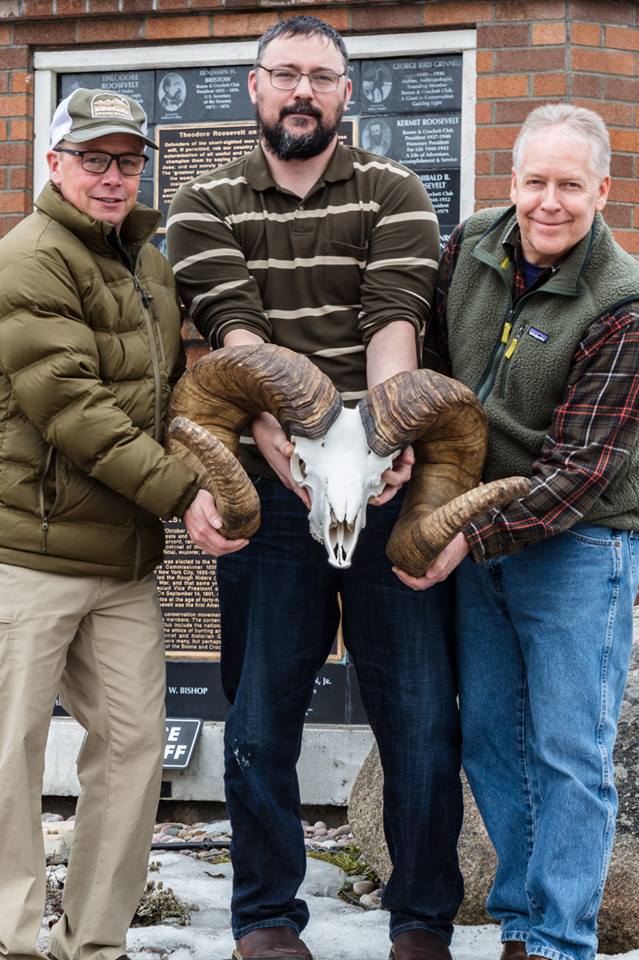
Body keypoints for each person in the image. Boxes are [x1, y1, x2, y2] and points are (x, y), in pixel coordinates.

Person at [168, 15, 461, 960]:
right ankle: (264, 917)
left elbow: (393, 321)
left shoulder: (392, 189)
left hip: (380, 482)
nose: (303, 90)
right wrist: (291, 446)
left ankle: (420, 918)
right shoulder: (202, 204)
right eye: (285, 74)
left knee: (417, 711)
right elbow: (234, 339)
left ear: (346, 92)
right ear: (252, 87)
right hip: (271, 489)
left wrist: (382, 441)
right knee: (258, 713)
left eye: (322, 77)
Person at [403, 103, 639, 960]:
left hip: (579, 545)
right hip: (474, 523)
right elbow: (426, 365)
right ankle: (520, 919)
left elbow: (582, 469)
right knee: (488, 737)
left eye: (569, 185)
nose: (549, 201)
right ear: (511, 183)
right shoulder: (465, 247)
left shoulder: (624, 302)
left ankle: (559, 942)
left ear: (601, 190)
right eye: (534, 181)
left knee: (568, 750)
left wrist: (462, 532)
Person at [0, 88, 221, 960]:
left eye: (127, 161)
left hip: (124, 561)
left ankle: (90, 943)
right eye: (93, 158)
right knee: (10, 753)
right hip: (29, 551)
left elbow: (171, 399)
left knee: (132, 747)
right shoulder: (30, 258)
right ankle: (13, 939)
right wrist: (180, 493)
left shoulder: (148, 264)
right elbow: (73, 408)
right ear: (55, 163)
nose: (112, 176)